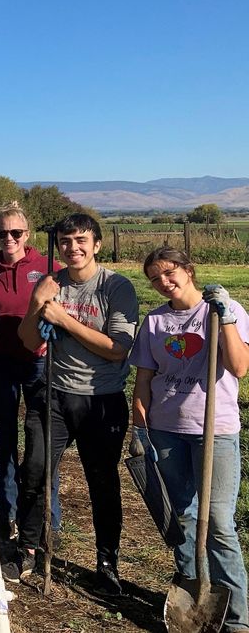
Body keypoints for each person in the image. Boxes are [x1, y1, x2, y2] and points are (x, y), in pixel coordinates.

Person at [4, 214, 138, 595]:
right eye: (65, 241)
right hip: (55, 395)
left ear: (96, 244)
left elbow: (116, 350)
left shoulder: (116, 287)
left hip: (102, 400)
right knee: (34, 471)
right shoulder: (52, 284)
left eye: (81, 240)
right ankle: (28, 547)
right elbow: (30, 342)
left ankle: (107, 562)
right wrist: (36, 303)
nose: (72, 248)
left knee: (102, 482)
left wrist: (62, 317)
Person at [130, 247, 249, 630]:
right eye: (155, 277)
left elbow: (240, 367)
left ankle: (237, 619)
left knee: (217, 523)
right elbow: (144, 378)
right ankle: (191, 593)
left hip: (214, 431)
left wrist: (226, 317)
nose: (164, 281)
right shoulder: (155, 320)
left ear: (188, 270)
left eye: (169, 272)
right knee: (183, 516)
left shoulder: (222, 311)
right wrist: (139, 422)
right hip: (166, 430)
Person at [0, 201, 62, 542]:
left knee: (40, 442)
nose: (8, 238)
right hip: (0, 362)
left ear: (27, 234)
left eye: (15, 232)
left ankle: (47, 516)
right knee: (5, 441)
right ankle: (7, 512)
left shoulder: (47, 267)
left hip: (38, 360)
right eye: (2, 233)